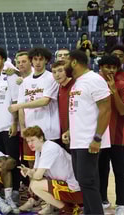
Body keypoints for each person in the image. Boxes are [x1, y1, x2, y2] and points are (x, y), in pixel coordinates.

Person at [64, 50, 111, 214]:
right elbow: (81, 111)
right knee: (83, 181)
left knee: (87, 181)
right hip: (78, 140)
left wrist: (97, 138)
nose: (64, 66)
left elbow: (106, 109)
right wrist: (71, 131)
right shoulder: (78, 82)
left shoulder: (94, 80)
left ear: (75, 62)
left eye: (65, 62)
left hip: (89, 140)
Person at [8, 48, 60, 168]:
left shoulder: (51, 78)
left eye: (41, 59)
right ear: (31, 61)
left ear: (46, 60)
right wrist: (22, 128)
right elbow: (21, 109)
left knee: (49, 164)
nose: (37, 62)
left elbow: (45, 101)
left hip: (48, 129)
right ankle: (34, 186)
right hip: (30, 129)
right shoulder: (25, 82)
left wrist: (20, 105)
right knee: (32, 164)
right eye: (35, 59)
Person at [20, 126, 83, 214]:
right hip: (67, 184)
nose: (30, 144)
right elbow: (36, 171)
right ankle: (53, 205)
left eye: (32, 140)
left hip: (76, 190)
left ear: (41, 138)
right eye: (28, 141)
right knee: (35, 182)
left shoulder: (49, 148)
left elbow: (38, 175)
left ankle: (69, 210)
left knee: (35, 185)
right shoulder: (39, 149)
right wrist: (29, 171)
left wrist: (32, 173)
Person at [0, 47, 21, 199]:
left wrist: (14, 123)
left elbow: (14, 101)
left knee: (12, 159)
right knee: (0, 159)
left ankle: (15, 190)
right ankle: (3, 188)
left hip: (8, 124)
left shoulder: (11, 77)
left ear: (3, 60)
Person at [98, 55, 124, 214]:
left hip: (118, 136)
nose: (111, 70)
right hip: (100, 135)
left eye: (114, 67)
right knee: (101, 170)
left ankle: (121, 203)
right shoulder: (94, 83)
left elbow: (122, 110)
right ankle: (102, 200)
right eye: (107, 67)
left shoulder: (121, 85)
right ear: (100, 67)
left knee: (120, 171)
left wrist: (114, 91)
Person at [51, 61, 75, 152]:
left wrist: (70, 130)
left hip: (76, 132)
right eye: (54, 72)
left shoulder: (75, 85)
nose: (57, 74)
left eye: (60, 71)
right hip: (63, 133)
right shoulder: (58, 87)